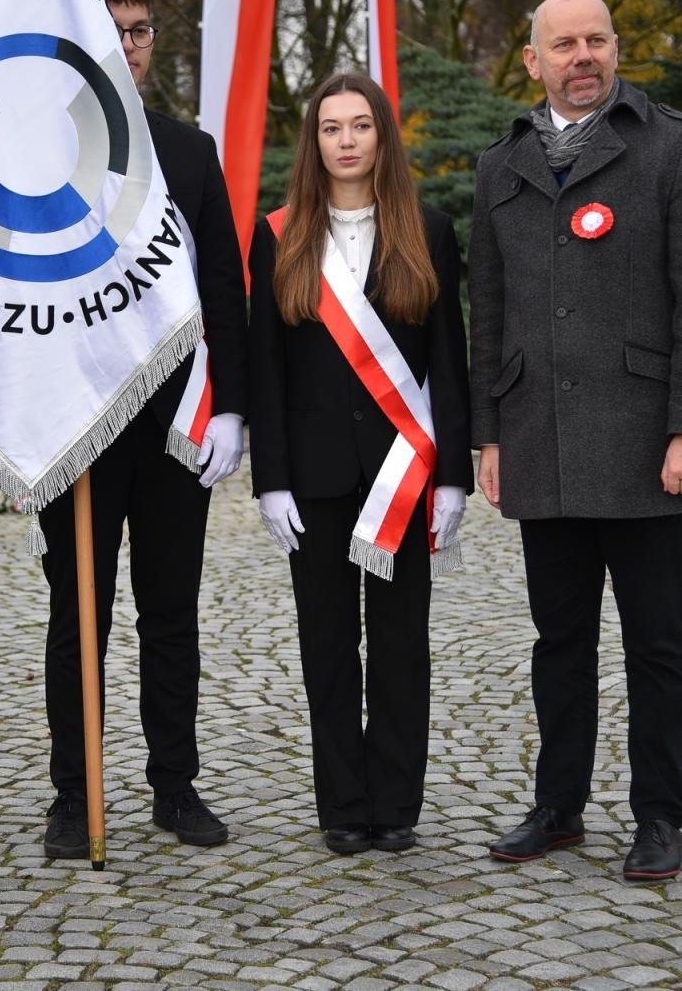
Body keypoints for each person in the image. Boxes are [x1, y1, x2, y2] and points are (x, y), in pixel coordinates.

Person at [468, 0, 682, 879]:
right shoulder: (499, 165)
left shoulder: (677, 146)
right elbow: (490, 310)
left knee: (657, 644)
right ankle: (559, 806)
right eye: (563, 44)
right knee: (559, 642)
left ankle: (659, 816)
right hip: (538, 439)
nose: (582, 56)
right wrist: (489, 434)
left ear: (616, 50)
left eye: (596, 40)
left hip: (646, 443)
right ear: (533, 60)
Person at [37, 0, 249, 859]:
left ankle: (175, 783)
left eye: (141, 30)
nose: (129, 45)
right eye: (112, 30)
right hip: (78, 425)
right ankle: (73, 795)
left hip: (173, 423)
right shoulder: (40, 154)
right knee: (75, 616)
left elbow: (224, 290)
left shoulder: (190, 152)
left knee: (171, 612)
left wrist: (232, 406)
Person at [248, 72, 471, 855]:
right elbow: (264, 368)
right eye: (331, 128)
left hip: (403, 474)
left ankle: (395, 806)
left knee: (403, 647)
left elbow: (450, 361)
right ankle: (343, 805)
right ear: (314, 142)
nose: (346, 141)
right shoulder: (277, 236)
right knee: (328, 646)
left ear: (383, 137)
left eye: (361, 126)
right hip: (313, 481)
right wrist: (270, 479)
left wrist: (452, 476)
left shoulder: (429, 230)